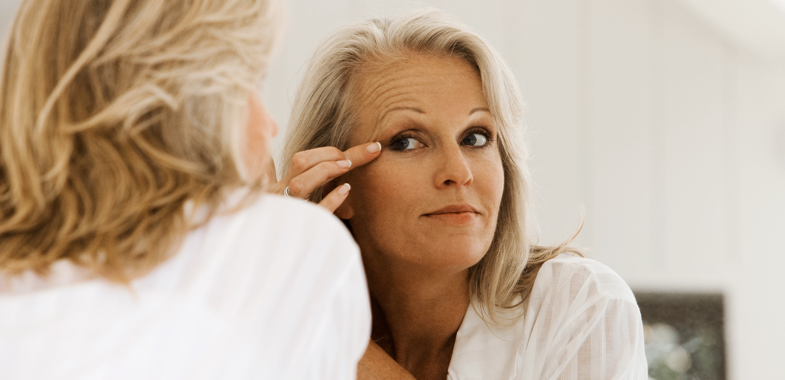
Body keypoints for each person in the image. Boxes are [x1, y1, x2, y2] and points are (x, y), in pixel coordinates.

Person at [0, 0, 370, 379]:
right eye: (249, 85)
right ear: (189, 100)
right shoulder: (297, 244)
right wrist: (270, 236)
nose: (268, 126)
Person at [276, 9, 648, 380]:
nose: (459, 172)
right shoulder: (267, 326)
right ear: (332, 184)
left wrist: (328, 336)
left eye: (475, 137)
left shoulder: (580, 304)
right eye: (406, 142)